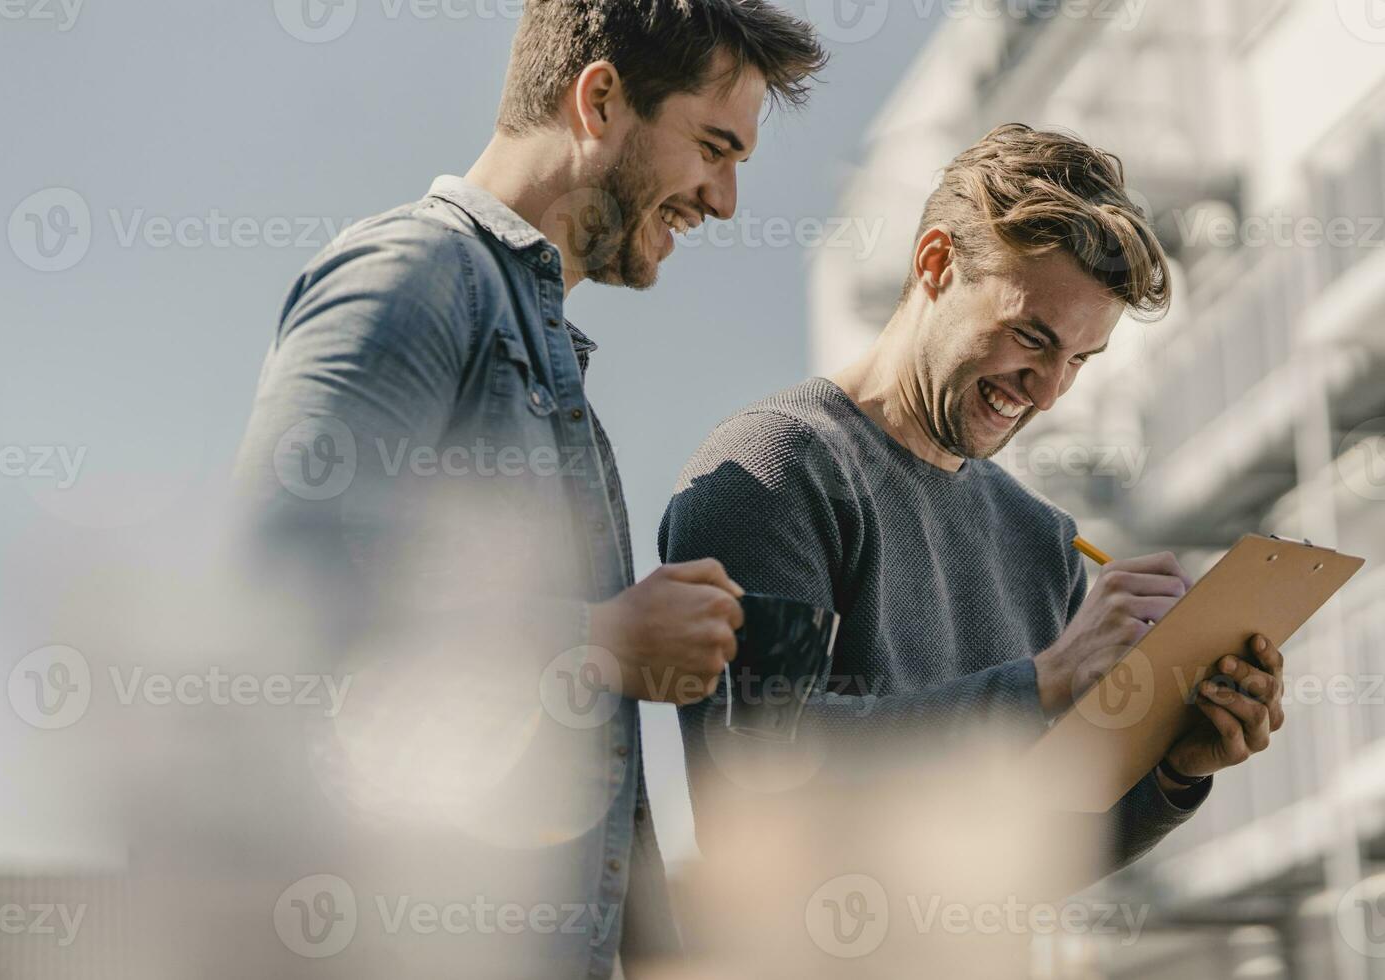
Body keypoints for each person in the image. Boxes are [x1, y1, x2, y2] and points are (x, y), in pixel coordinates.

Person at [232, 3, 826, 977]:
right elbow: (273, 607)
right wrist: (598, 640)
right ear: (599, 101)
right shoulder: (414, 275)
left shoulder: (547, 368)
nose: (724, 200)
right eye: (714, 148)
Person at [661, 124, 1287, 870]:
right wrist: (1044, 685)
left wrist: (1178, 770)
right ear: (936, 264)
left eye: (1079, 360)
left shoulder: (1040, 540)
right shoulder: (776, 470)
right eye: (1031, 337)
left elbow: (1023, 862)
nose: (1050, 392)